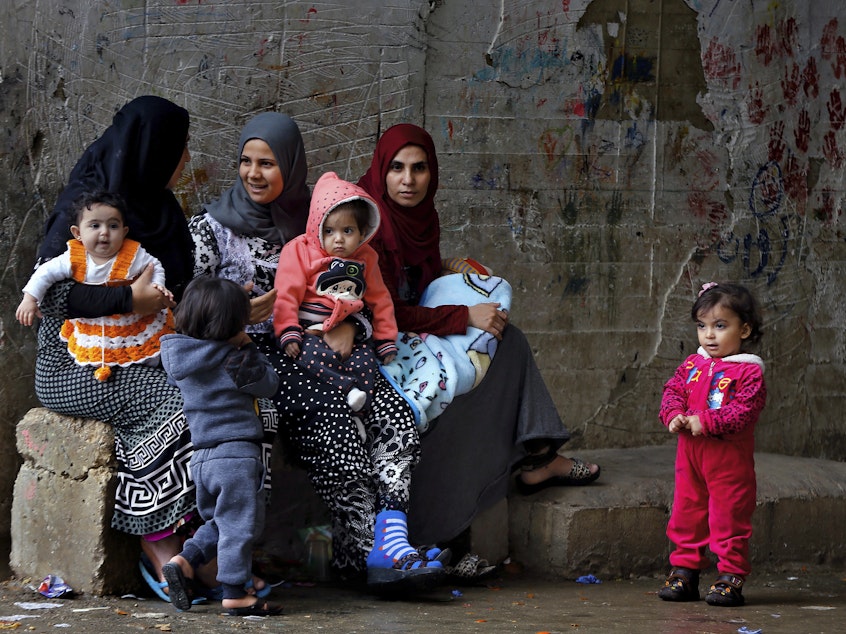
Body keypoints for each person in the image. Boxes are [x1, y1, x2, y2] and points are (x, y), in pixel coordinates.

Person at [30, 95, 274, 602]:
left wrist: (229, 310)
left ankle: (209, 547)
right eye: (178, 150)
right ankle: (158, 540)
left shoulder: (161, 208)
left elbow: (177, 293)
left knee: (233, 398)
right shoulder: (87, 206)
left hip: (146, 346)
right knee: (172, 404)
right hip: (75, 360)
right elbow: (51, 295)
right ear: (149, 149)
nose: (184, 161)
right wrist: (126, 297)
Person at [190, 112, 444, 592]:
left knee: (396, 417)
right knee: (337, 429)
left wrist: (354, 324)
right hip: (266, 359)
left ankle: (393, 541)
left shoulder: (323, 220)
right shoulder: (209, 230)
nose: (254, 173)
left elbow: (366, 293)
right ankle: (364, 556)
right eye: (246, 161)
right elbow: (187, 312)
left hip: (343, 351)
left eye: (268, 162)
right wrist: (237, 315)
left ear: (291, 165)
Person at [357, 124, 601, 574]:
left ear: (433, 174)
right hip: (377, 348)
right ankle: (448, 527)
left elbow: (419, 281)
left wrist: (453, 270)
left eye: (419, 168)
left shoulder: (420, 218)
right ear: (380, 171)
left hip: (414, 338)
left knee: (509, 341)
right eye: (396, 168)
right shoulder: (369, 224)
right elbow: (384, 311)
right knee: (460, 393)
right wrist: (464, 317)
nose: (407, 180)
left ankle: (538, 458)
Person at [160, 276, 282, 616]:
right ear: (234, 324)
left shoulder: (179, 357)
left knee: (220, 523)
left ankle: (186, 560)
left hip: (201, 457)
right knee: (238, 527)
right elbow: (268, 386)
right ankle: (234, 591)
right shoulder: (236, 360)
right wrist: (247, 348)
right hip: (237, 454)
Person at [658, 281, 766, 608]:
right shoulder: (693, 365)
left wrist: (705, 421)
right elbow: (672, 391)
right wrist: (674, 414)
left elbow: (743, 411)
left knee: (728, 518)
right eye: (702, 326)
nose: (709, 335)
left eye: (720, 326)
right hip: (690, 459)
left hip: (728, 462)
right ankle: (684, 573)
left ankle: (729, 577)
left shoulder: (749, 373)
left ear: (744, 329)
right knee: (686, 514)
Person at [18, 190, 174, 382]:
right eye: (95, 225)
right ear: (78, 233)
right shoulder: (73, 259)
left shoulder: (133, 255)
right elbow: (44, 273)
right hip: (93, 325)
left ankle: (152, 371)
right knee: (96, 356)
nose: (104, 232)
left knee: (148, 353)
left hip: (131, 323)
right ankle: (105, 370)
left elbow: (155, 266)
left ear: (124, 232)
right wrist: (30, 298)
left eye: (113, 225)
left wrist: (158, 285)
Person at [274, 171, 397, 413]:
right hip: (309, 332)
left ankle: (359, 409)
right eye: (329, 231)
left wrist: (385, 338)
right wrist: (288, 330)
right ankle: (348, 390)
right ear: (315, 227)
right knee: (308, 355)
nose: (338, 240)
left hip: (348, 326)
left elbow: (380, 299)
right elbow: (286, 294)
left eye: (348, 231)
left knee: (366, 361)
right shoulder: (299, 251)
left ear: (363, 232)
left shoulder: (366, 258)